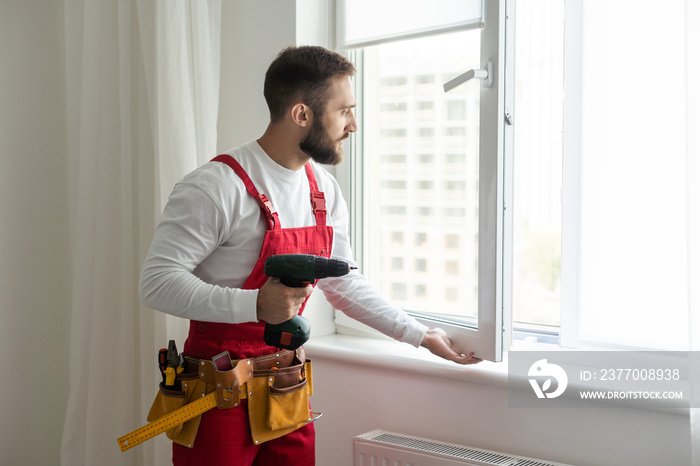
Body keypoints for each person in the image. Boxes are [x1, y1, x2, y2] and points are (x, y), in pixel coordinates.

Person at [139, 45, 481, 466]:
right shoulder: (215, 187)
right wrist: (255, 304)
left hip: (286, 386)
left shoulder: (323, 188)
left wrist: (420, 335)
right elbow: (156, 282)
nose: (353, 124)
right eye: (344, 111)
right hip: (218, 391)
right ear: (302, 114)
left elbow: (343, 281)